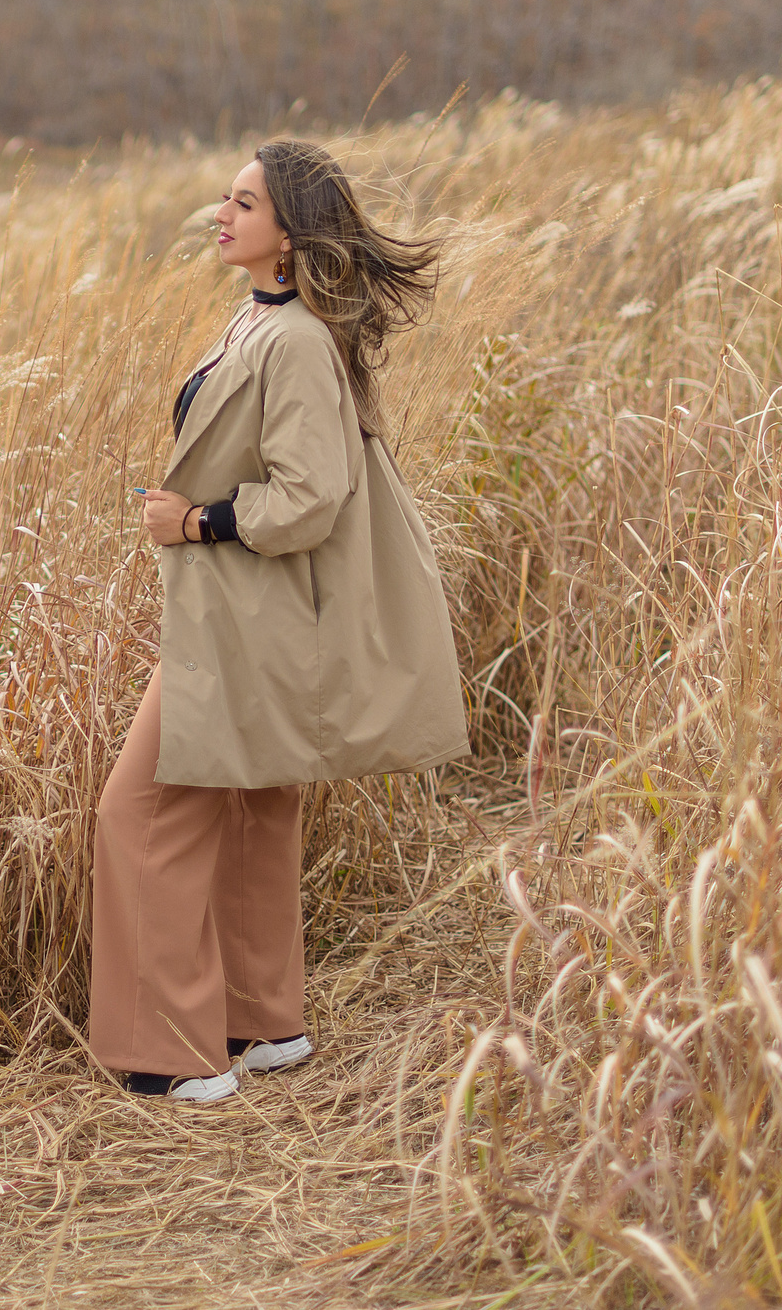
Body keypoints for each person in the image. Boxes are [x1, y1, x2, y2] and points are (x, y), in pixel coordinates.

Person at [94, 139, 469, 1101]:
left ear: (290, 234)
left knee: (141, 813)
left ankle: (173, 1051)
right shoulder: (265, 317)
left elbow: (310, 497)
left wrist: (196, 520)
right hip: (248, 610)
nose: (221, 213)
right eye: (225, 197)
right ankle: (264, 1025)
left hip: (247, 616)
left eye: (244, 203)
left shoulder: (296, 337)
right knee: (256, 802)